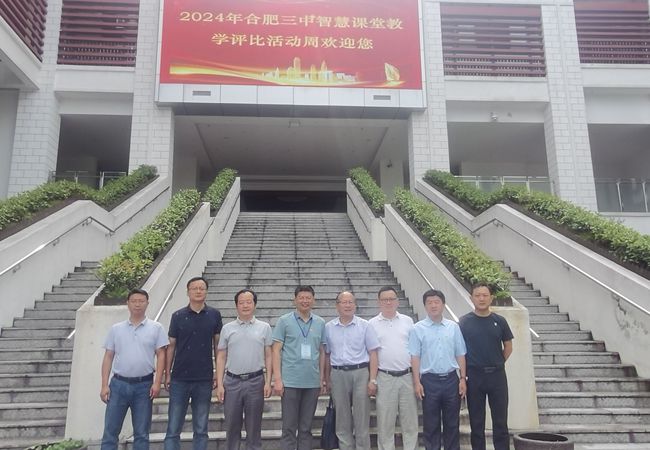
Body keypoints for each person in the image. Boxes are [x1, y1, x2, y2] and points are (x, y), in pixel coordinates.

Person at [100, 288, 168, 450]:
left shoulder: (156, 328)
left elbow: (161, 356)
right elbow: (108, 356)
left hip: (144, 386)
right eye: (134, 301)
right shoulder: (116, 329)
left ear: (147, 303)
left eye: (141, 301)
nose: (138, 304)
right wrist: (104, 385)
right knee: (110, 432)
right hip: (118, 385)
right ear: (128, 304)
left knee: (142, 433)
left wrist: (157, 382)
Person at [164, 276, 223, 450]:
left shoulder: (214, 315)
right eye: (194, 288)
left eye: (202, 288)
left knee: (201, 428)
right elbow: (171, 346)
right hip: (179, 379)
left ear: (206, 291)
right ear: (188, 292)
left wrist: (217, 373)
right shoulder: (177, 316)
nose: (198, 291)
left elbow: (218, 346)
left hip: (204, 379)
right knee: (173, 428)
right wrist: (167, 373)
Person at [408, 289, 467, 450]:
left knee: (452, 423)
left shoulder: (453, 327)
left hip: (451, 380)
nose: (433, 305)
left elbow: (460, 353)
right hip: (429, 381)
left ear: (443, 304)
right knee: (431, 424)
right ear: (425, 306)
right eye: (429, 302)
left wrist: (463, 379)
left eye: (437, 302)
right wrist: (417, 382)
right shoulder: (417, 329)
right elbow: (415, 357)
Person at [215, 289, 273, 450]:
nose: (245, 305)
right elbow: (221, 357)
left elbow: (269, 355)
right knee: (232, 425)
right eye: (241, 302)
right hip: (232, 381)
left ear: (255, 304)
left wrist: (268, 381)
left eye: (249, 302)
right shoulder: (227, 328)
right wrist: (220, 384)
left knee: (254, 426)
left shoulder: (264, 327)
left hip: (256, 381)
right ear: (236, 306)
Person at [272, 285, 327, 450]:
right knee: (289, 426)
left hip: (312, 382)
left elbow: (322, 352)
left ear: (313, 300)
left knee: (306, 427)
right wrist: (278, 379)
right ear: (295, 300)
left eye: (308, 298)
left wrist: (322, 378)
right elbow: (276, 350)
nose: (305, 301)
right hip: (290, 381)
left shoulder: (320, 323)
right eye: (301, 298)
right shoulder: (284, 321)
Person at [459, 282, 513, 450]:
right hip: (475, 376)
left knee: (500, 422)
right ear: (471, 298)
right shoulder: (464, 322)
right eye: (477, 295)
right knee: (476, 423)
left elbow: (508, 346)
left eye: (485, 295)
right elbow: (460, 351)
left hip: (497, 376)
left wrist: (498, 362)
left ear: (491, 298)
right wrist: (463, 376)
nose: (481, 299)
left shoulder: (500, 321)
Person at [324, 291, 380, 450]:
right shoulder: (329, 327)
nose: (347, 305)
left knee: (362, 416)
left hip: (360, 373)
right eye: (344, 302)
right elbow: (327, 355)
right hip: (338, 374)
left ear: (355, 305)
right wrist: (326, 378)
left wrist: (373, 379)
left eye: (351, 302)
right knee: (342, 417)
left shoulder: (365, 325)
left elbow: (373, 353)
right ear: (337, 306)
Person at [368, 286, 419, 450]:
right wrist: (372, 379)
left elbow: (414, 350)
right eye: (385, 299)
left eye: (391, 299)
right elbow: (372, 354)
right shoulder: (371, 324)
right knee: (385, 422)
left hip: (407, 376)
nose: (388, 302)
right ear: (379, 302)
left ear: (397, 301)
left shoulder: (408, 321)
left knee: (410, 422)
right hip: (385, 377)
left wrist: (417, 379)